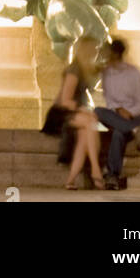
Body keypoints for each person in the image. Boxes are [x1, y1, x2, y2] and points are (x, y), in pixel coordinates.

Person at [42, 35, 105, 190]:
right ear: (85, 50)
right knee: (90, 121)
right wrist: (83, 109)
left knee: (85, 135)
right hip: (60, 114)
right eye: (94, 49)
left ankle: (70, 180)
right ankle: (96, 171)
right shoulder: (74, 70)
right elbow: (65, 101)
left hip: (74, 114)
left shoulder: (84, 69)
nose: (96, 52)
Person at [94, 38, 140, 189]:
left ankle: (112, 176)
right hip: (120, 117)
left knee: (118, 134)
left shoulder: (133, 73)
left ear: (115, 54)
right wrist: (119, 110)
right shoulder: (106, 74)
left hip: (138, 116)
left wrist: (129, 113)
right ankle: (134, 129)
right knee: (97, 111)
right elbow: (110, 101)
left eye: (108, 53)